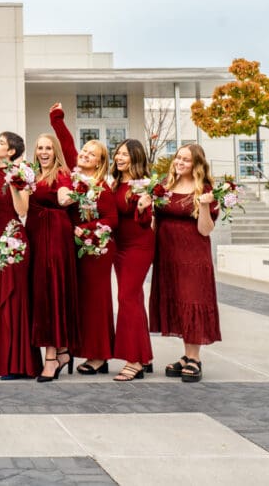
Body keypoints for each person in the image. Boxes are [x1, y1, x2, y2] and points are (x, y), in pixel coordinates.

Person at [51, 105, 118, 376]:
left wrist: (87, 229)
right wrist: (57, 119)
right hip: (75, 247)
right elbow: (66, 145)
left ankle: (100, 356)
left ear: (100, 162)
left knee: (96, 302)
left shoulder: (103, 186)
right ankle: (81, 349)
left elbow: (112, 219)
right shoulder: (74, 176)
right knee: (78, 300)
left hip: (97, 250)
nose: (85, 155)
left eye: (92, 154)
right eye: (85, 151)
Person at [150, 143, 221, 383]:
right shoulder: (165, 187)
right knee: (179, 301)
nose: (179, 162)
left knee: (192, 301)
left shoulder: (205, 190)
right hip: (168, 256)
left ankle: (195, 358)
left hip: (193, 257)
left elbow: (205, 229)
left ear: (197, 165)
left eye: (186, 160)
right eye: (178, 158)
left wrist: (203, 204)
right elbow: (154, 221)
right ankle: (186, 355)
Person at [0, 131, 41, 380]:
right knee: (3, 301)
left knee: (16, 301)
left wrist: (14, 182)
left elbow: (22, 210)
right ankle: (8, 361)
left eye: (1, 142)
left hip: (15, 241)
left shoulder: (23, 172)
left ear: (11, 151)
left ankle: (22, 364)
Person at [27, 131, 78, 382]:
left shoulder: (62, 175)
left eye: (48, 148)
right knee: (43, 293)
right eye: (40, 148)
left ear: (55, 151)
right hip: (36, 237)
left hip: (55, 237)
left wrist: (66, 195)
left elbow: (65, 195)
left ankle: (51, 358)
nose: (44, 152)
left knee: (51, 293)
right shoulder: (31, 175)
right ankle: (63, 351)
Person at [108, 139, 156, 381]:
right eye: (118, 153)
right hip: (120, 246)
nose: (119, 157)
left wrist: (143, 207)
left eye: (125, 154)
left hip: (139, 245)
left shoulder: (142, 185)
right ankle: (143, 357)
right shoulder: (116, 183)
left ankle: (134, 360)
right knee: (134, 299)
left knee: (126, 298)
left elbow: (146, 221)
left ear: (136, 157)